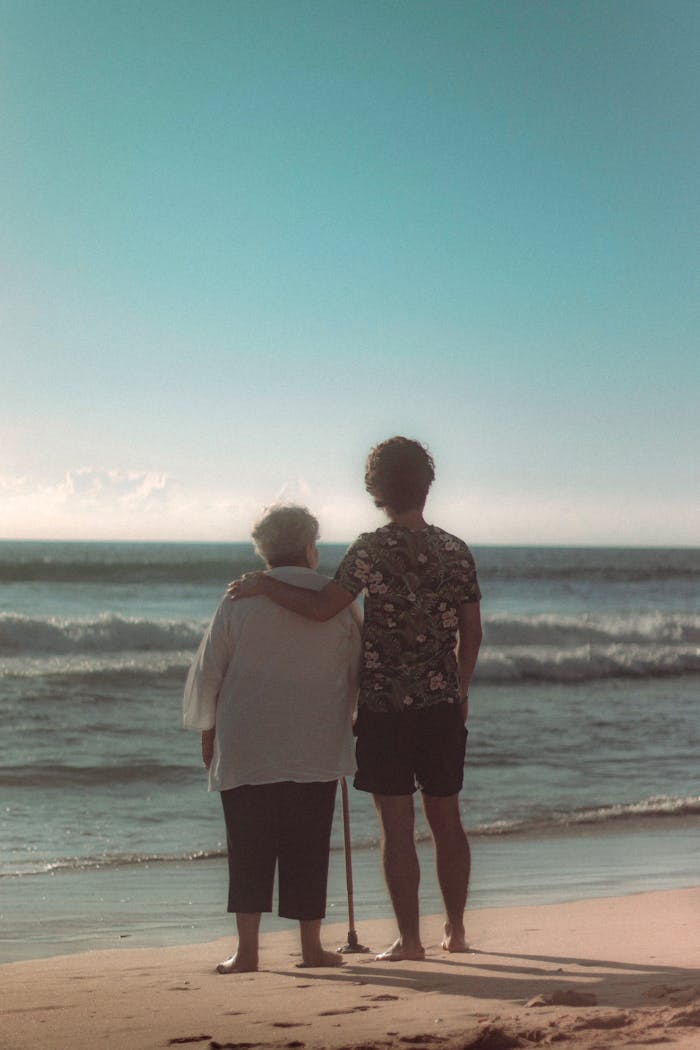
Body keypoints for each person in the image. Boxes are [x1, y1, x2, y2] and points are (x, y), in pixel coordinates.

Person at [229, 437, 482, 962]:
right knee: (446, 819)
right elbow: (472, 633)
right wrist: (460, 689)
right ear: (426, 485)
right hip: (440, 705)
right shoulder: (455, 550)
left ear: (377, 490)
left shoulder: (370, 548)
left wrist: (265, 586)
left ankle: (410, 940)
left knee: (397, 827)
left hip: (385, 707)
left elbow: (325, 607)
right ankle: (456, 931)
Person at [184, 505, 362, 973]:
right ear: (309, 549)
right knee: (309, 845)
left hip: (247, 741)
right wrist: (352, 718)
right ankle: (310, 949)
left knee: (248, 845)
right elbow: (357, 668)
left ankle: (247, 952)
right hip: (315, 740)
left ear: (264, 551)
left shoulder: (238, 597)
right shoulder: (335, 599)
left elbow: (209, 672)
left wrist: (208, 731)